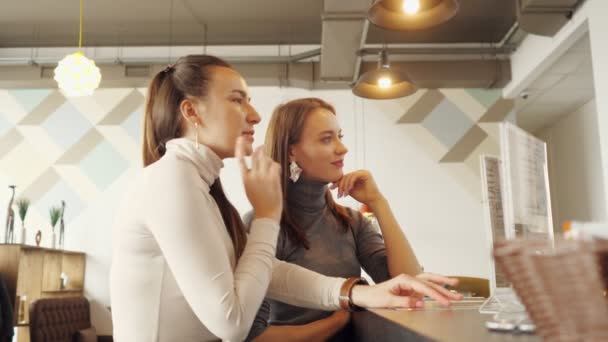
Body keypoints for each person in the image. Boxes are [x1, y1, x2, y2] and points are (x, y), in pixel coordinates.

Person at [110, 56, 458, 342]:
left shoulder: (196, 184)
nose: (255, 115)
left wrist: (357, 294)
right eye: (237, 99)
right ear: (191, 112)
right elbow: (233, 324)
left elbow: (266, 273)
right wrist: (267, 215)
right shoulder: (172, 179)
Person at [246, 98, 462, 341]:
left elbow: (408, 286)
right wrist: (338, 321)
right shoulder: (263, 226)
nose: (342, 148)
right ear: (291, 151)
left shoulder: (350, 221)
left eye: (340, 136)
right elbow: (253, 336)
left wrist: (379, 202)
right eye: (327, 139)